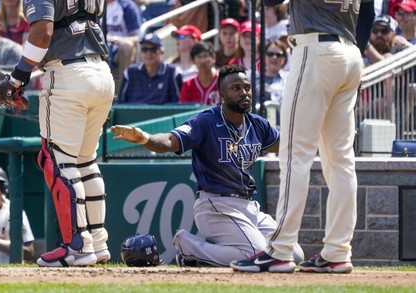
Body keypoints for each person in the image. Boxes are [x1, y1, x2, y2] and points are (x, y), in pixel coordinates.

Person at [230, 0, 375, 274]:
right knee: (341, 161)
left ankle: (280, 249)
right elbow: (368, 10)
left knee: (295, 153)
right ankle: (337, 252)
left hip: (315, 50)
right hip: (349, 53)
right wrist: (358, 49)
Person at [110, 64, 304, 267]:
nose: (243, 92)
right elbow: (170, 140)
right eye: (235, 88)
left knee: (293, 254)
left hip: (249, 206)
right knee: (255, 253)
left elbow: (287, 146)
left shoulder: (257, 124)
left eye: (246, 87)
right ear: (222, 94)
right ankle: (189, 246)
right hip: (215, 205)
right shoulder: (206, 122)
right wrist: (145, 138)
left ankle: (200, 253)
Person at [0, 0, 114, 267]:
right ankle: (98, 243)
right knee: (85, 162)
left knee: (57, 161)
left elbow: (43, 32)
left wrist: (16, 78)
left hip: (68, 74)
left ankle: (77, 246)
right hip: (102, 72)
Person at [117, 33, 182, 104]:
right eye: (145, 49)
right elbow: (121, 102)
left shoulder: (172, 73)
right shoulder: (130, 73)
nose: (149, 53)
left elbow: (177, 104)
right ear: (140, 53)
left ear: (162, 52)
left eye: (153, 49)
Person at [104, 0, 143, 95]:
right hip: (101, 46)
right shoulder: (97, 4)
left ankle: (123, 92)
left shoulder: (127, 5)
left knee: (127, 46)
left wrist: (115, 39)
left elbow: (138, 36)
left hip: (118, 48)